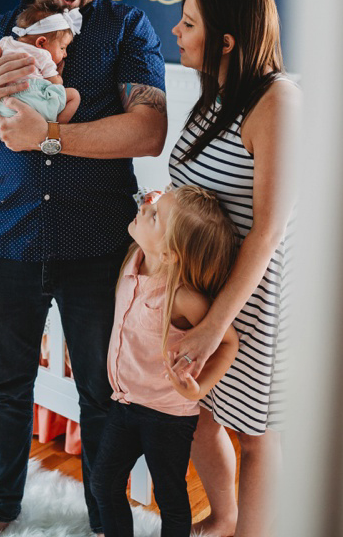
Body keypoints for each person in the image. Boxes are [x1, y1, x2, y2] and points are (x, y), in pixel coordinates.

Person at [0, 0, 168, 537]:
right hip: (5, 237)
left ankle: (105, 519)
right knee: (6, 386)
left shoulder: (127, 29)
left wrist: (49, 137)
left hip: (98, 241)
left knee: (103, 396)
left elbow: (148, 129)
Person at [165, 0, 299, 537]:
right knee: (197, 411)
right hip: (203, 289)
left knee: (257, 433)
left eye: (189, 24)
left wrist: (215, 326)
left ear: (227, 40)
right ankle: (224, 518)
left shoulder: (277, 101)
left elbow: (266, 232)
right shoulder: (213, 94)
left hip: (252, 298)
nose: (176, 31)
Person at [91, 185, 240, 537]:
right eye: (153, 205)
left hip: (167, 417)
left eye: (155, 214)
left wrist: (198, 388)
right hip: (125, 404)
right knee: (103, 483)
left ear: (171, 255)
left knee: (170, 499)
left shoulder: (183, 298)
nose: (145, 207)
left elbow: (228, 342)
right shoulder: (132, 259)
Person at [0, 0, 82, 123]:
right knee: (74, 95)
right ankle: (55, 128)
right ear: (41, 42)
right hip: (35, 102)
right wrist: (58, 74)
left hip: (4, 106)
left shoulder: (6, 42)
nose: (65, 54)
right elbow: (55, 83)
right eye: (62, 48)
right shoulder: (43, 55)